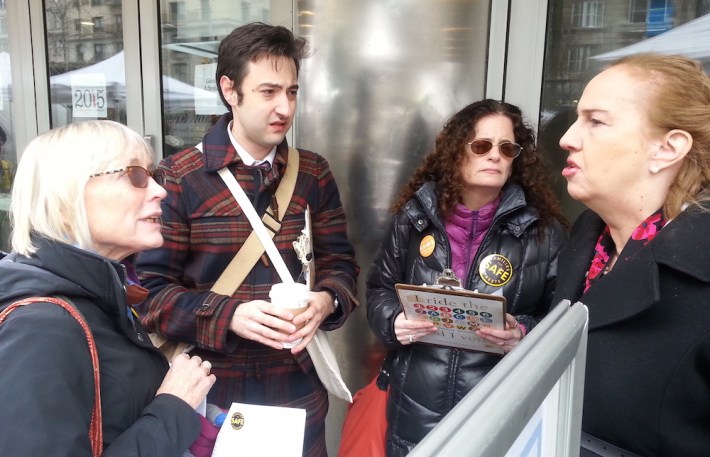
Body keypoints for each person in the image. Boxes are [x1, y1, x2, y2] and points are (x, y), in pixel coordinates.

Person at [135, 22, 359, 456]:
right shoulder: (179, 177)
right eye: (268, 91)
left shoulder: (313, 171)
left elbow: (341, 264)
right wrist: (229, 315)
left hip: (300, 393)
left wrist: (327, 300)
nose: (284, 107)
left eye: (292, 92)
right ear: (229, 89)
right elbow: (150, 297)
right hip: (214, 396)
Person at [0, 120, 216, 456]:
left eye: (152, 175)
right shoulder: (41, 327)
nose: (160, 191)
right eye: (135, 176)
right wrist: (173, 407)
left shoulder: (96, 292)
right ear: (64, 202)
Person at [366, 99, 568, 455]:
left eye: (507, 148)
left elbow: (562, 321)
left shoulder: (544, 233)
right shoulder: (414, 219)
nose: (495, 156)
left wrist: (520, 332)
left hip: (499, 405)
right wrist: (393, 321)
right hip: (416, 407)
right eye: (481, 145)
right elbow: (379, 289)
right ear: (455, 151)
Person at [554, 53, 710, 457]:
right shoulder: (586, 243)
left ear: (667, 148)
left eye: (596, 121)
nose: (567, 138)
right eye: (576, 118)